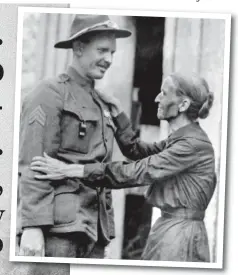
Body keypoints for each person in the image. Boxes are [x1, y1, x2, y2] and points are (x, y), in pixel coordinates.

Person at [31, 73, 217, 262]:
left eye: (163, 93)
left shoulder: (192, 145)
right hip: (172, 230)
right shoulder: (182, 140)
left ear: (183, 105)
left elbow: (137, 171)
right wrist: (118, 114)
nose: (156, 98)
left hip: (181, 236)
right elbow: (137, 150)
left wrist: (69, 170)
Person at [17, 14, 131, 258]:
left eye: (112, 52)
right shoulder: (49, 93)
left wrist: (104, 235)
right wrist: (32, 226)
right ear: (79, 48)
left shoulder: (102, 103)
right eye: (102, 50)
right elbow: (33, 162)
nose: (108, 59)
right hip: (59, 231)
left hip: (94, 232)